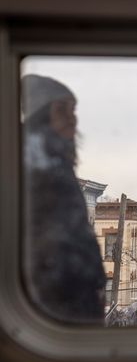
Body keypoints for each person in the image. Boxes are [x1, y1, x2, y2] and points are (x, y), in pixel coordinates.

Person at [22, 74, 106, 324]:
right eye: (62, 109)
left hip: (73, 290)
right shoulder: (35, 164)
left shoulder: (53, 160)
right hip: (58, 296)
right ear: (41, 115)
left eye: (73, 110)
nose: (72, 118)